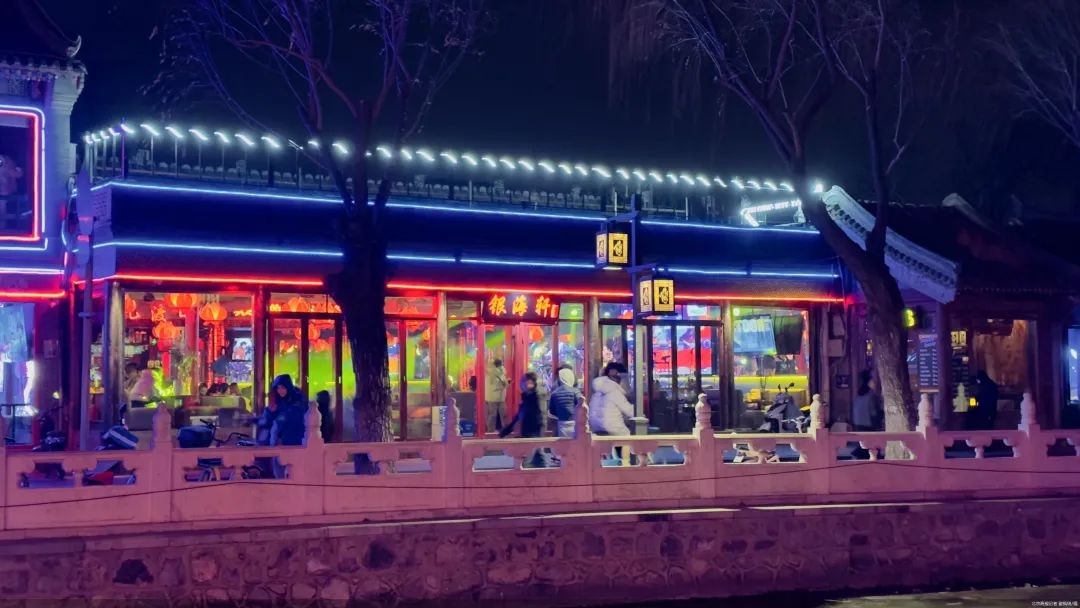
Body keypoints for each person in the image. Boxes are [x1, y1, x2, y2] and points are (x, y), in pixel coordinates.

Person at [258, 374, 306, 446]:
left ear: (288, 387)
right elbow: (265, 423)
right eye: (278, 388)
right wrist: (270, 413)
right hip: (276, 443)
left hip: (295, 441)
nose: (280, 390)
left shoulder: (297, 401)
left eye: (283, 388)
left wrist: (279, 417)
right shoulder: (275, 402)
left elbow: (294, 418)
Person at [589, 362, 634, 436]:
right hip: (613, 429)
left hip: (596, 428)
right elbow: (630, 412)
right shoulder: (614, 392)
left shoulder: (597, 391)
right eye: (624, 378)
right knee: (629, 438)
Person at [499, 372, 544, 438]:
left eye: (523, 381)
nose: (520, 383)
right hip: (530, 432)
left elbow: (520, 416)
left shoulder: (533, 398)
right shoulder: (528, 396)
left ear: (530, 383)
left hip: (532, 433)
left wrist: (506, 431)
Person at [548, 366, 584, 438]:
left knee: (562, 443)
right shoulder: (575, 391)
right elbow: (581, 405)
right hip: (574, 422)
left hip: (561, 423)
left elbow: (552, 411)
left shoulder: (554, 393)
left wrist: (560, 413)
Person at [485, 358, 509, 433]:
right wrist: (504, 385)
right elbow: (498, 386)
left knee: (493, 415)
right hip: (499, 397)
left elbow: (490, 386)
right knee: (502, 415)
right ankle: (504, 430)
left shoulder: (490, 374)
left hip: (492, 397)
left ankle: (490, 431)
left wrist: (505, 384)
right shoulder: (500, 373)